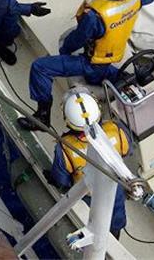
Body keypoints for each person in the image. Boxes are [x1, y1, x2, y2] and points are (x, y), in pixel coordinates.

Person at [19, 0, 154, 130]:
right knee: (126, 77)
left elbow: (76, 40)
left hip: (92, 65)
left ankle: (42, 116)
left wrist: (65, 49)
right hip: (117, 55)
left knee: (40, 67)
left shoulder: (95, 15)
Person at [45, 90, 131, 239]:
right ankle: (114, 236)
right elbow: (126, 151)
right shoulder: (117, 130)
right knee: (115, 219)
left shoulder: (65, 150)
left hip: (87, 195)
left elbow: (61, 180)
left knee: (90, 224)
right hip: (114, 188)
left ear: (67, 120)